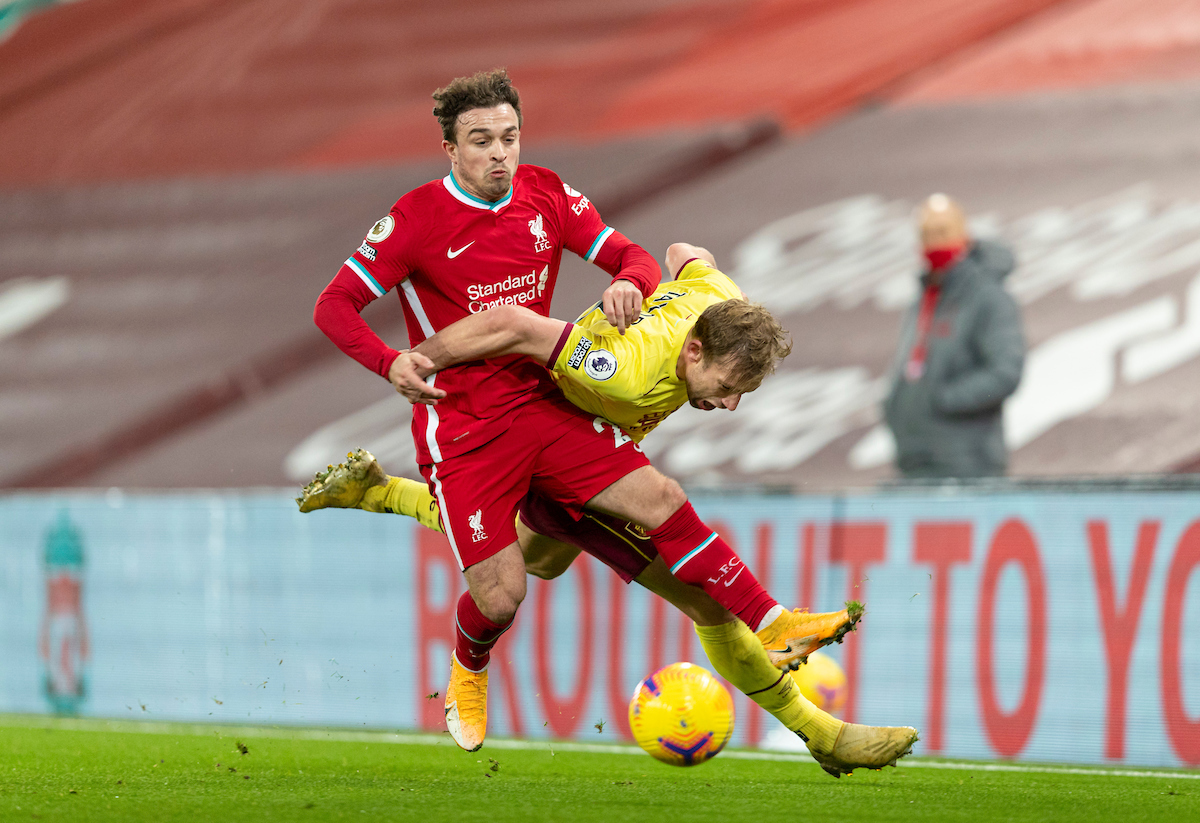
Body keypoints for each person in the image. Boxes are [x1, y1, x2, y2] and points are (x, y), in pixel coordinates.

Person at [312, 70, 860, 757]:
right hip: (465, 426)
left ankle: (777, 626)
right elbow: (333, 306)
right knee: (505, 592)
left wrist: (631, 281)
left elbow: (632, 253)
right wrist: (392, 360)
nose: (499, 154)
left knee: (661, 497)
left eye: (509, 137)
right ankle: (468, 666)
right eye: (480, 141)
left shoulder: (545, 194)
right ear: (450, 148)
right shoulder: (417, 218)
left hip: (546, 406)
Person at [306, 241, 918, 776]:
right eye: (729, 388)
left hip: (580, 451)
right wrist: (411, 363)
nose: (731, 405)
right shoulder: (623, 369)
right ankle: (821, 729)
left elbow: (686, 252)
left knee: (539, 558)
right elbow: (517, 325)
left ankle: (380, 492)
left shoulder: (717, 294)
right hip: (553, 446)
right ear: (696, 351)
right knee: (704, 594)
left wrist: (637, 280)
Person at [883, 194, 1025, 479]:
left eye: (941, 233)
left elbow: (1005, 373)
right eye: (927, 234)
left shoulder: (987, 297)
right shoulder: (925, 295)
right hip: (916, 458)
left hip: (967, 462)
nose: (934, 243)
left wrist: (942, 401)